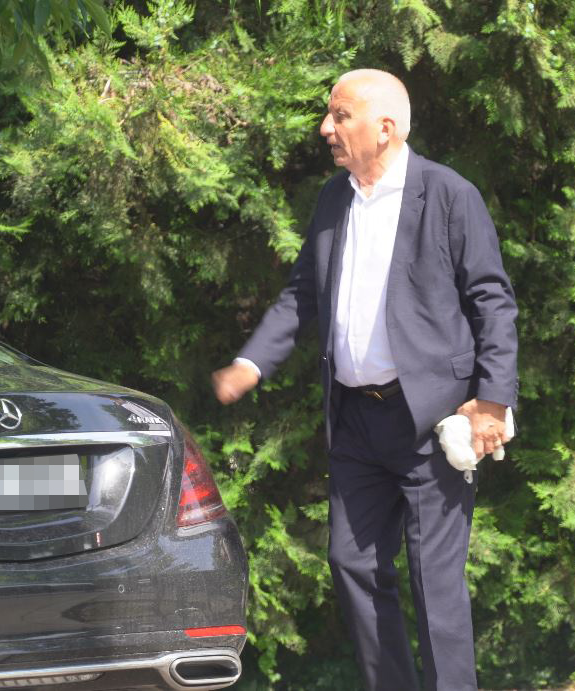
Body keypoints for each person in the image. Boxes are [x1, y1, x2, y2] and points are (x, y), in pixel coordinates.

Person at [212, 69, 518, 690]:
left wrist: (491, 401)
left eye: (340, 115)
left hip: (432, 420)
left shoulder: (449, 194)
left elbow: (492, 301)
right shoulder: (335, 197)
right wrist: (252, 362)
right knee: (351, 564)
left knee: (435, 582)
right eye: (329, 115)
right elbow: (303, 293)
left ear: (385, 128)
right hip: (356, 420)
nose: (326, 128)